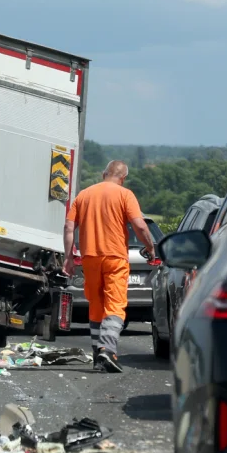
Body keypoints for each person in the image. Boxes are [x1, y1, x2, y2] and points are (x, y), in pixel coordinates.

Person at [62, 160, 156, 373]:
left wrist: (68, 257)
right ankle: (107, 349)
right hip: (114, 257)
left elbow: (69, 227)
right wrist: (150, 248)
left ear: (104, 173)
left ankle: (98, 355)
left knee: (96, 305)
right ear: (123, 178)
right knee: (115, 305)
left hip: (90, 257)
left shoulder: (84, 195)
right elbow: (139, 225)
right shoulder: (125, 194)